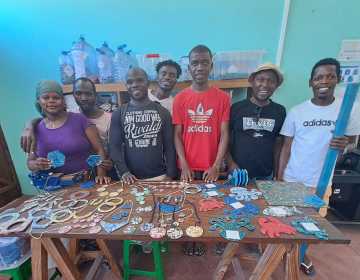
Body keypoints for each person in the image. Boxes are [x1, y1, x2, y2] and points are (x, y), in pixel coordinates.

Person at [278, 58, 360, 275]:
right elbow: (286, 146)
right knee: (287, 220)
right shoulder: (297, 111)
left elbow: (352, 143)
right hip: (292, 178)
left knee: (311, 225)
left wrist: (346, 146)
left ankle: (301, 255)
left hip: (321, 182)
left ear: (338, 80)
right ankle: (284, 253)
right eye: (318, 77)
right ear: (310, 83)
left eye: (330, 76)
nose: (324, 81)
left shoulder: (348, 110)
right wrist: (278, 178)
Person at [172, 45, 230, 257]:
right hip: (187, 167)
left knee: (209, 206)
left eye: (205, 62)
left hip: (210, 168)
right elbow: (177, 135)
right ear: (189, 68)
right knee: (187, 206)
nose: (200, 67)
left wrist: (216, 166)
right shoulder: (180, 98)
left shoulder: (223, 98)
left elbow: (224, 134)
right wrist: (184, 165)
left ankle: (203, 238)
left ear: (211, 66)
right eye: (195, 63)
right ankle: (189, 237)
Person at [20, 77, 114, 175]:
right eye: (46, 97)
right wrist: (28, 128)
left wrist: (102, 173)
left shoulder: (80, 119)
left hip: (86, 179)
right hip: (53, 184)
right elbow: (30, 162)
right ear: (38, 101)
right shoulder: (36, 129)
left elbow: (104, 148)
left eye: (56, 97)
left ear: (63, 100)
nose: (51, 101)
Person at [109, 68, 176, 183]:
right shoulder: (119, 113)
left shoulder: (162, 112)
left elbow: (170, 146)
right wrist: (124, 172)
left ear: (148, 83)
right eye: (130, 82)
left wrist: (169, 176)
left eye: (139, 80)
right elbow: (114, 146)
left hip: (159, 177)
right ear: (126, 86)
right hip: (130, 179)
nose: (134, 85)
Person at [225, 62, 286, 180]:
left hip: (265, 176)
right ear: (253, 82)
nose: (265, 85)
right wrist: (230, 164)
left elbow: (278, 145)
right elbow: (223, 138)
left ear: (275, 85)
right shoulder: (237, 108)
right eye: (260, 79)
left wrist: (277, 177)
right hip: (237, 174)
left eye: (271, 81)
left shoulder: (279, 111)